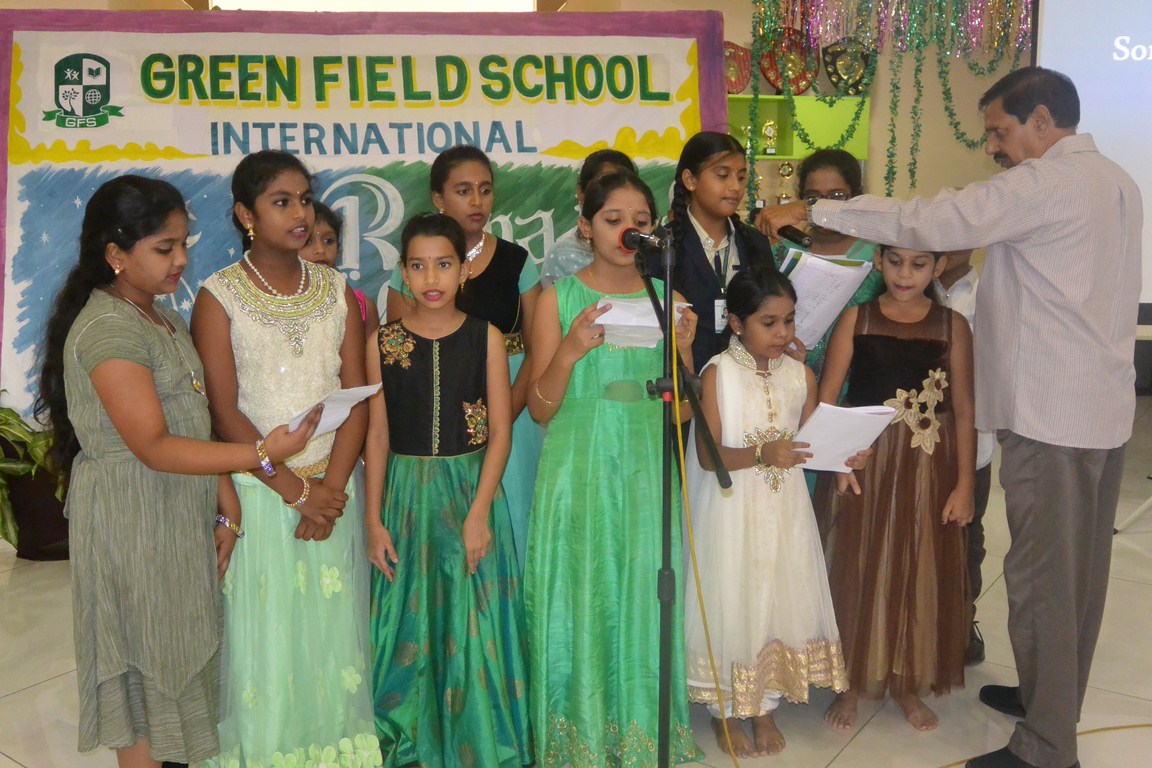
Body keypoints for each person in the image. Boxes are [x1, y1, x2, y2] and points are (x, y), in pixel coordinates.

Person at [757, 66, 1142, 768]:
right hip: (1102, 410)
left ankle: (1046, 747)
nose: (993, 146)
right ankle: (1049, 700)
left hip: (1054, 418)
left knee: (1044, 582)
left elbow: (926, 221)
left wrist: (820, 212)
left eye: (999, 130)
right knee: (1079, 578)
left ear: (1042, 121)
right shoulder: (1116, 178)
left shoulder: (1046, 182)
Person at [34, 175, 319, 768]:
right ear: (116, 255)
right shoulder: (109, 328)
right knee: (141, 676)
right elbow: (155, 446)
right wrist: (262, 453)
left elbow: (194, 417)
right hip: (131, 521)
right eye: (165, 248)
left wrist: (226, 500)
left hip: (174, 512)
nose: (182, 260)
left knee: (177, 658)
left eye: (183, 244)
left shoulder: (159, 316)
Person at [191, 150, 378, 767]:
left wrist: (331, 490)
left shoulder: (335, 290)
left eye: (305, 199)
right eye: (281, 202)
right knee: (266, 642)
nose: (300, 214)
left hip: (332, 494)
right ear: (246, 215)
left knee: (330, 639)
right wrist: (296, 491)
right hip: (262, 491)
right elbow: (224, 413)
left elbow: (355, 397)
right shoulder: (219, 297)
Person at [526, 170, 700, 766]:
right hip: (577, 469)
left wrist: (683, 353)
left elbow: (682, 417)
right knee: (581, 595)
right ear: (586, 226)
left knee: (644, 594)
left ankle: (643, 735)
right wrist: (570, 351)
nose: (629, 230)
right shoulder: (558, 298)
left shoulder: (670, 299)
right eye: (613, 219)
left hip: (644, 471)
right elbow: (539, 408)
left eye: (641, 221)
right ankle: (579, 739)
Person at [364, 212, 531, 768]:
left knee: (472, 617)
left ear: (464, 270)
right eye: (417, 266)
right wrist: (373, 519)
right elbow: (377, 434)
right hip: (406, 498)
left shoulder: (485, 337)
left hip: (471, 493)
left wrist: (479, 513)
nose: (430, 277)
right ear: (403, 272)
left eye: (443, 264)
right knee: (407, 620)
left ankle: (480, 739)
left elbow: (501, 432)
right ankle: (408, 740)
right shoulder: (382, 343)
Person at [683, 265, 853, 758]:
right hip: (731, 510)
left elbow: (813, 444)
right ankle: (726, 710)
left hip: (783, 511)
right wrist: (763, 454)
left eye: (789, 320)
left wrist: (847, 454)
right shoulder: (718, 373)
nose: (782, 333)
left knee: (774, 594)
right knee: (734, 595)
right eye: (769, 322)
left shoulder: (801, 375)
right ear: (737, 323)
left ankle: (765, 705)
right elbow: (708, 455)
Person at [815, 246, 975, 733]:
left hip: (929, 464)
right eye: (896, 261)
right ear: (879, 261)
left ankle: (906, 681)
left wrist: (965, 483)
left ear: (938, 267)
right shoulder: (856, 320)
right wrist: (836, 458)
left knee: (917, 560)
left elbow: (964, 410)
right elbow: (828, 398)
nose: (905, 274)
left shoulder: (952, 326)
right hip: (866, 461)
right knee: (858, 561)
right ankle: (849, 680)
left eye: (919, 264)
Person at [387, 145, 542, 573]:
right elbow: (400, 359)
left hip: (513, 410)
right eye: (463, 190)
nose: (477, 201)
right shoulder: (410, 268)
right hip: (437, 420)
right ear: (438, 198)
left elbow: (537, 347)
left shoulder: (517, 261)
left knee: (510, 525)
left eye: (485, 190)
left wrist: (505, 415)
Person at [655, 131, 777, 368]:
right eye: (722, 175)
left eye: (741, 177)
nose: (735, 187)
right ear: (690, 180)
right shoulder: (662, 245)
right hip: (683, 376)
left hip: (747, 374)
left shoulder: (755, 242)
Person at [771, 148, 885, 377]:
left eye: (837, 196)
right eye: (813, 197)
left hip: (859, 376)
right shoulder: (783, 251)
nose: (825, 207)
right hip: (788, 374)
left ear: (855, 196)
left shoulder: (876, 256)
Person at [937, 248, 996, 666]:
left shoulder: (990, 293)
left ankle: (961, 625)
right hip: (914, 441)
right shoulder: (906, 286)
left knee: (966, 540)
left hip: (972, 443)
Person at [540, 148, 637, 288]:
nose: (614, 196)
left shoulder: (650, 251)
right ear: (581, 192)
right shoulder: (563, 255)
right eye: (604, 186)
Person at [302, 200, 380, 334]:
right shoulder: (279, 305)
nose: (320, 249)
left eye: (328, 241)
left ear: (338, 249)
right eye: (308, 241)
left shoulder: (362, 307)